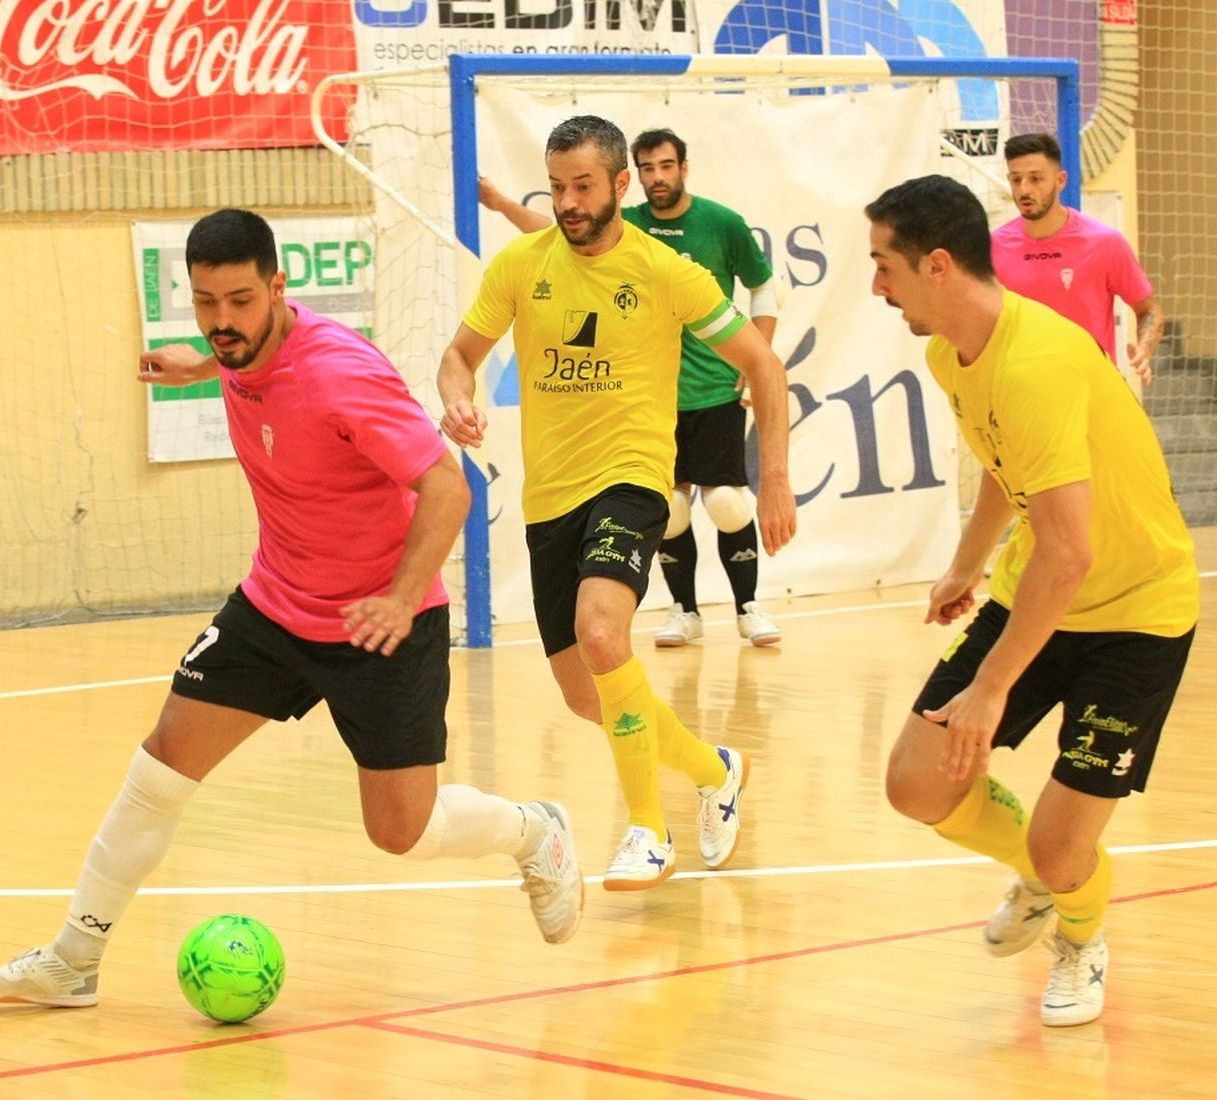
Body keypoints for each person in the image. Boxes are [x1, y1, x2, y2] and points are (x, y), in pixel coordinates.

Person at [0, 210, 584, 1008]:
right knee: (158, 770)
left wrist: (397, 599)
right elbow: (246, 364)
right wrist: (198, 366)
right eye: (206, 303)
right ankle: (72, 960)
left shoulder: (339, 373)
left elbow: (448, 487)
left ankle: (533, 829)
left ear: (279, 289)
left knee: (401, 830)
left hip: (378, 620)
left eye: (241, 302)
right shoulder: (240, 347)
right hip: (276, 603)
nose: (223, 322)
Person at [866, 175, 1198, 1027]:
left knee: (1060, 844)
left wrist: (992, 685)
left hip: (1135, 612)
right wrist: (966, 564)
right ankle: (1051, 881)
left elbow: (1070, 550)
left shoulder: (1039, 362)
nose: (877, 287)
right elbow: (1002, 468)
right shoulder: (952, 351)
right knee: (916, 784)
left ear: (936, 265)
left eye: (884, 266)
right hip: (1036, 591)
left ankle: (1080, 933)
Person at [441, 115, 796, 892]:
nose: (567, 202)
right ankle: (716, 768)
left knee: (602, 630)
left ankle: (648, 828)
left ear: (619, 186)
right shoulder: (520, 264)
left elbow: (763, 365)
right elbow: (459, 357)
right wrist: (457, 398)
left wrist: (772, 476)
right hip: (549, 499)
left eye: (583, 187)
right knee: (585, 693)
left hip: (632, 476)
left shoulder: (666, 270)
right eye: (557, 186)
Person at [480, 127, 784, 648]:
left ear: (681, 168)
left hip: (705, 396)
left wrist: (776, 473)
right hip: (578, 468)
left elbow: (763, 291)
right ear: (634, 177)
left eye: (666, 166)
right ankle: (684, 610)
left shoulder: (711, 230)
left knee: (729, 504)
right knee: (675, 514)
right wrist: (505, 204)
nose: (657, 176)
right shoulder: (591, 233)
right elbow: (547, 238)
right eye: (557, 187)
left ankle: (747, 605)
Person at [992, 132, 1164, 387]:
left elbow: (1150, 310)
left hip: (1093, 394)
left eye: (1036, 179)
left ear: (1060, 180)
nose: (1024, 189)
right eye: (1016, 180)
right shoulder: (993, 246)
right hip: (1023, 395)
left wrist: (1143, 350)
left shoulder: (1104, 242)